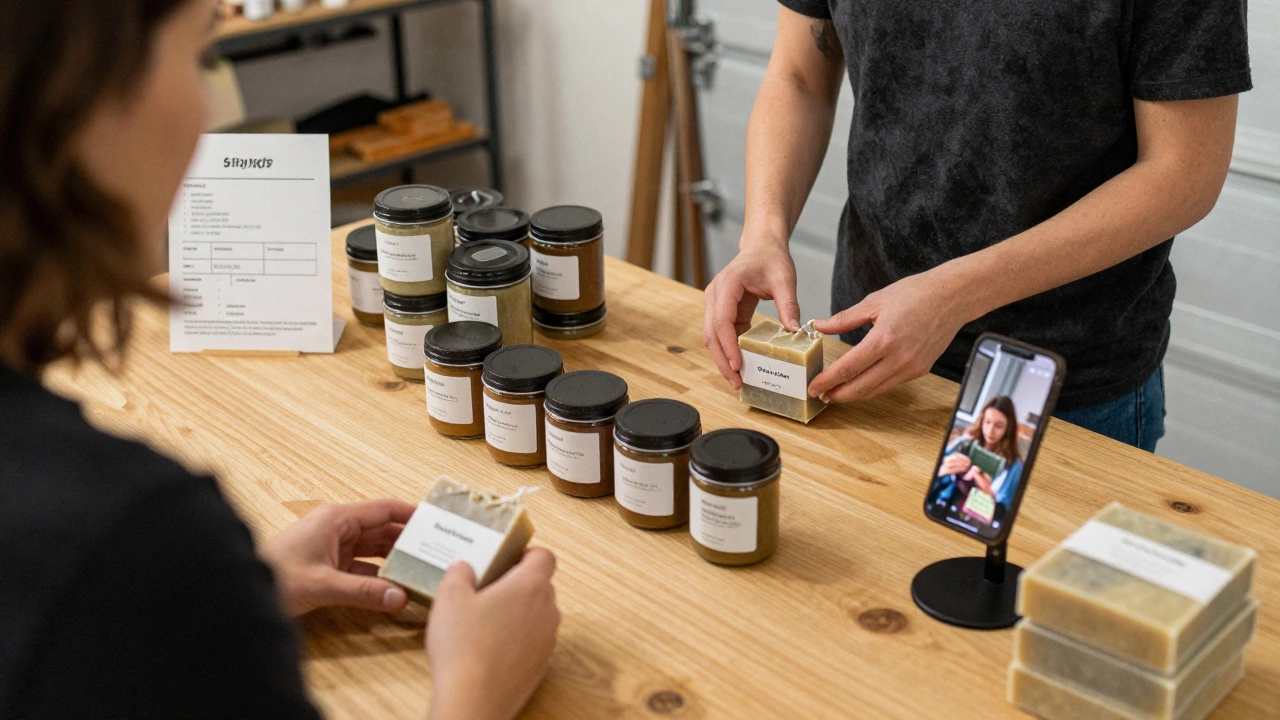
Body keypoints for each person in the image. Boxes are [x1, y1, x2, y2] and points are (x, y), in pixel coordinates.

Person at [0, 2, 558, 719]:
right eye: (199, 57)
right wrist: (477, 689)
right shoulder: (127, 535)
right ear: (77, 93)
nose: (207, 117)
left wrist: (236, 592)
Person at [702, 2, 1250, 452]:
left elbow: (1184, 173)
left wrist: (954, 295)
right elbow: (798, 75)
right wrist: (763, 234)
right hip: (867, 352)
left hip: (1060, 381)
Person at [930, 397, 1024, 524]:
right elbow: (934, 475)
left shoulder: (1014, 465)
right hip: (940, 507)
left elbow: (1003, 514)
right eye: (987, 422)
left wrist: (989, 494)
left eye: (999, 425)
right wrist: (942, 471)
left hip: (975, 521)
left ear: (1008, 428)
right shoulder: (965, 443)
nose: (990, 430)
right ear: (981, 420)